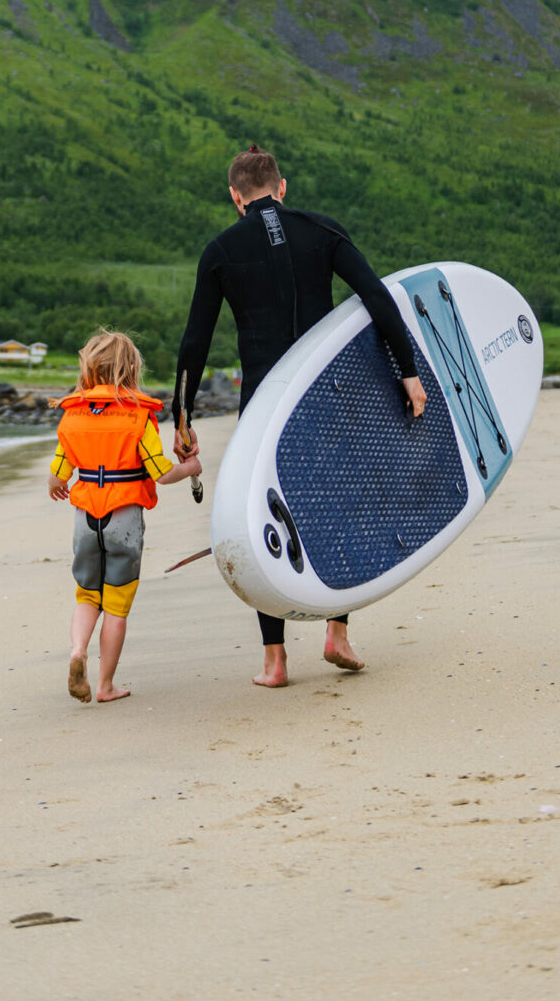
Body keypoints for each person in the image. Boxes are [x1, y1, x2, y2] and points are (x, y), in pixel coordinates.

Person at [172, 144, 427, 688]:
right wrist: (408, 370)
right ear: (282, 187)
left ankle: (274, 660)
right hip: (323, 398)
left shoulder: (220, 249)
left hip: (263, 404)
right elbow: (377, 298)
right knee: (339, 510)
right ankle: (338, 632)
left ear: (235, 196)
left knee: (261, 516)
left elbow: (194, 342)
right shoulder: (322, 229)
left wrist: (182, 418)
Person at [49, 328, 202, 704]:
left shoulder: (74, 417)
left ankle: (77, 651)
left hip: (85, 519)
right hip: (124, 521)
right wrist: (192, 467)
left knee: (87, 595)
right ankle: (104, 686)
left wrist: (54, 485)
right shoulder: (137, 417)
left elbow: (59, 471)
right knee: (116, 605)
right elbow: (161, 473)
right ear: (132, 371)